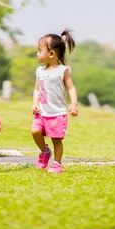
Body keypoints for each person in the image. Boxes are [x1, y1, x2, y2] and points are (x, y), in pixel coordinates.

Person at [31, 29, 78, 174]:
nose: (38, 54)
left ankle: (57, 163)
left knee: (56, 140)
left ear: (51, 54)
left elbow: (71, 88)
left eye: (40, 50)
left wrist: (74, 104)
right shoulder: (40, 71)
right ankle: (44, 152)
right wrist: (35, 103)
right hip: (42, 112)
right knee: (35, 131)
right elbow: (37, 90)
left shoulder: (62, 70)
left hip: (57, 113)